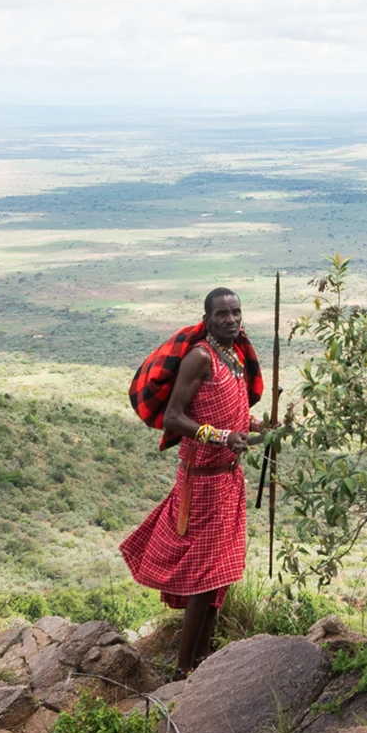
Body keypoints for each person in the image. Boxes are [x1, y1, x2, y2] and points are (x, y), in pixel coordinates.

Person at [120, 288, 260, 674]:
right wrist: (221, 437)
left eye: (236, 312)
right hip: (201, 484)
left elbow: (237, 422)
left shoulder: (235, 358)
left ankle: (204, 659)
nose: (231, 319)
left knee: (217, 578)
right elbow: (174, 419)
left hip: (229, 481)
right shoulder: (202, 358)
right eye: (222, 315)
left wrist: (267, 430)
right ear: (208, 319)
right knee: (204, 577)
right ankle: (184, 670)